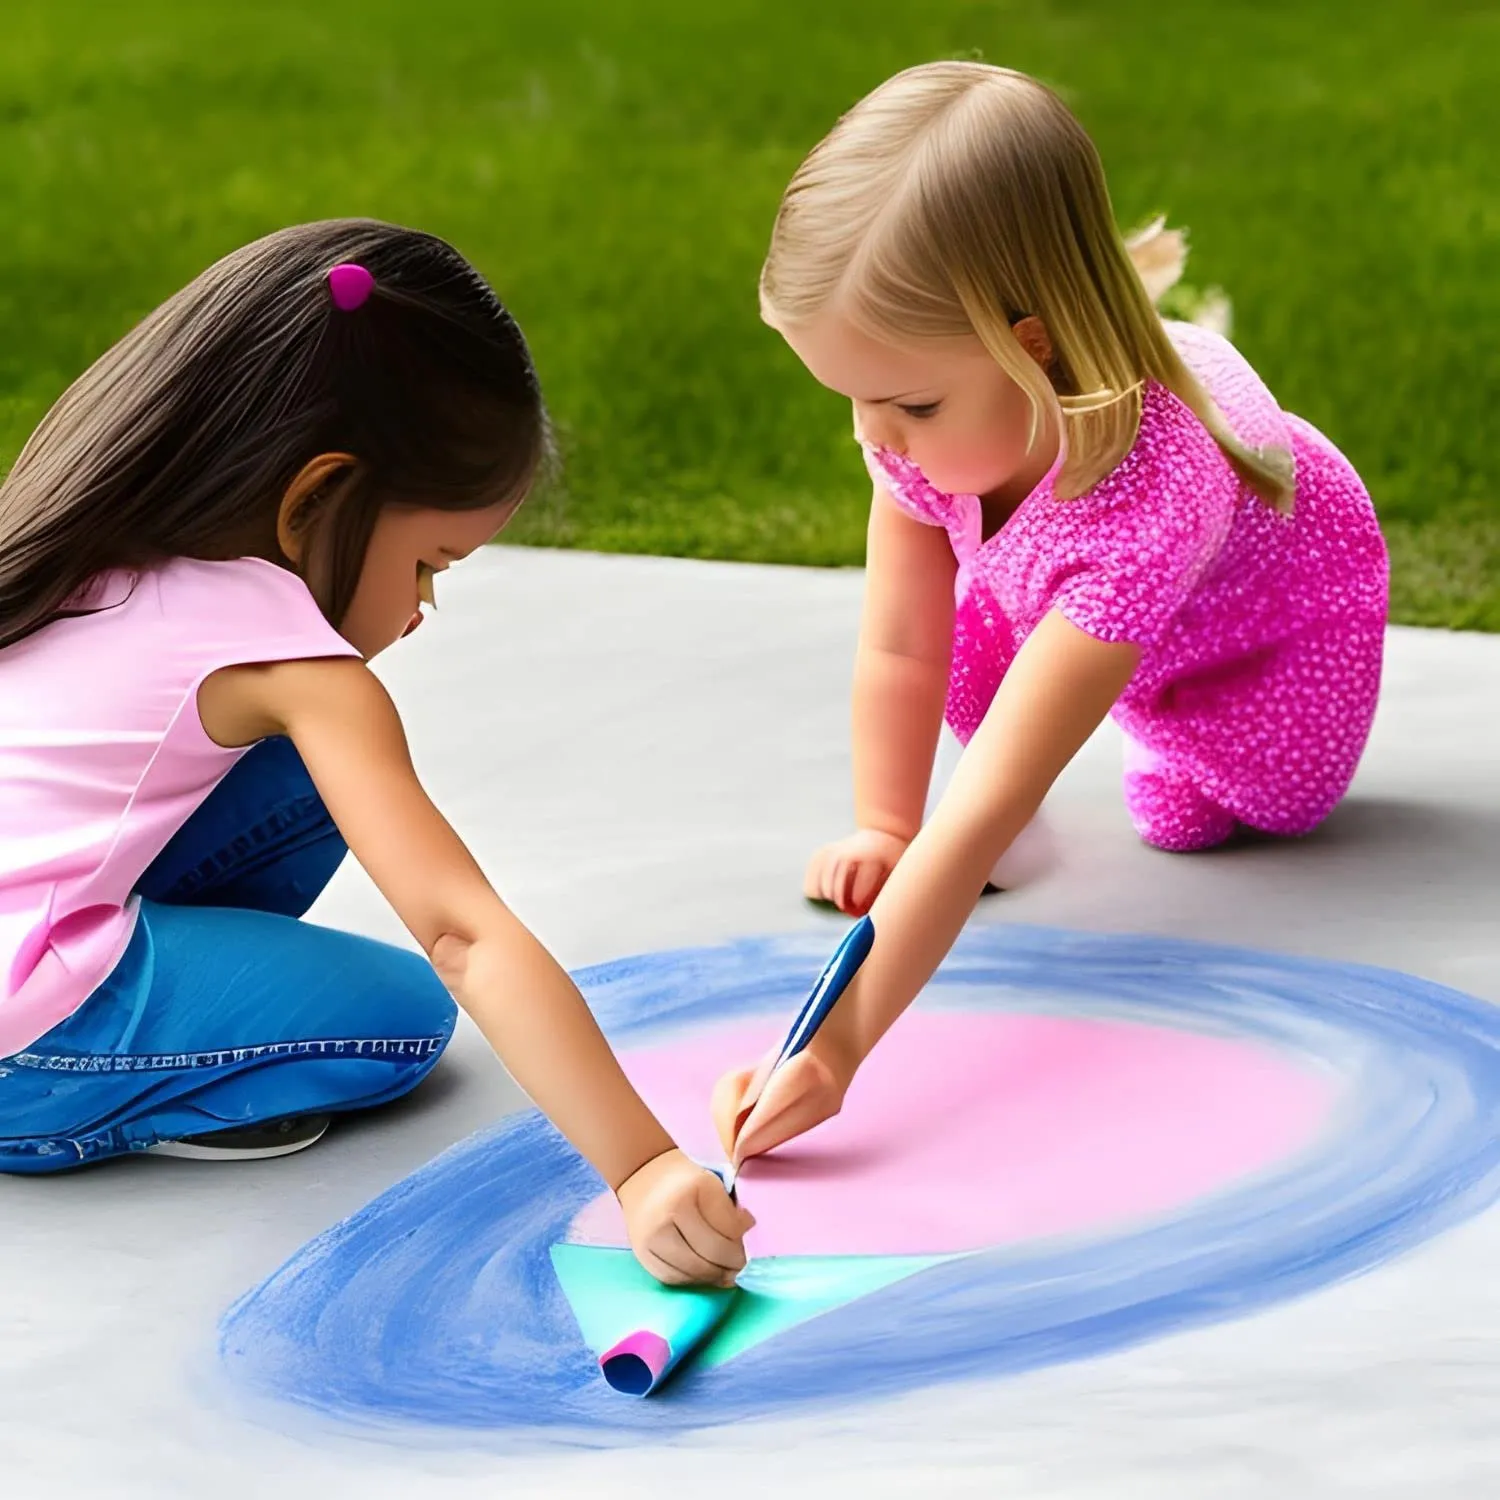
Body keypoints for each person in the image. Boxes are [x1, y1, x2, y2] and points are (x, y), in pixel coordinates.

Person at [0, 219, 752, 1288]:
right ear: (318, 499)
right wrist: (642, 1169)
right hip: (23, 1046)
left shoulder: (82, 542)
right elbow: (461, 936)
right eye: (430, 563)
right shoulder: (294, 665)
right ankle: (110, 1097)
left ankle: (159, 993)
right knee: (404, 1015)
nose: (422, 608)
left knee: (308, 773)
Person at [714, 63, 1388, 1165]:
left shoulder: (1156, 495)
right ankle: (1108, 691)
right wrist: (889, 825)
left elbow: (983, 811)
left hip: (1272, 631)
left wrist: (833, 1050)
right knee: (996, 675)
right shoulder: (929, 420)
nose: (875, 436)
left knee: (1251, 803)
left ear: (1030, 344)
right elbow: (899, 642)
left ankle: (1164, 725)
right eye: (853, 398)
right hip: (1082, 588)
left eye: (907, 404)